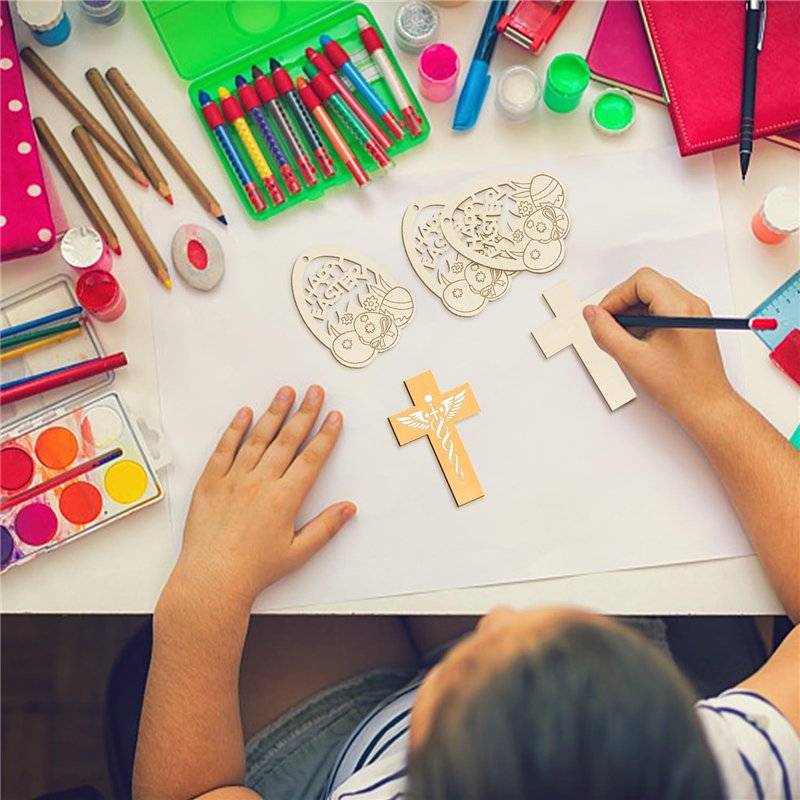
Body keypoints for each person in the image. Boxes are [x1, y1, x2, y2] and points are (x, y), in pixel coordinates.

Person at [132, 269, 799, 800]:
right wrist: (712, 402)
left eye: (476, 659)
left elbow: (199, 793)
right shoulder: (722, 774)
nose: (501, 617)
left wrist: (205, 594)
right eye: (565, 644)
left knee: (289, 590)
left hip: (337, 761)